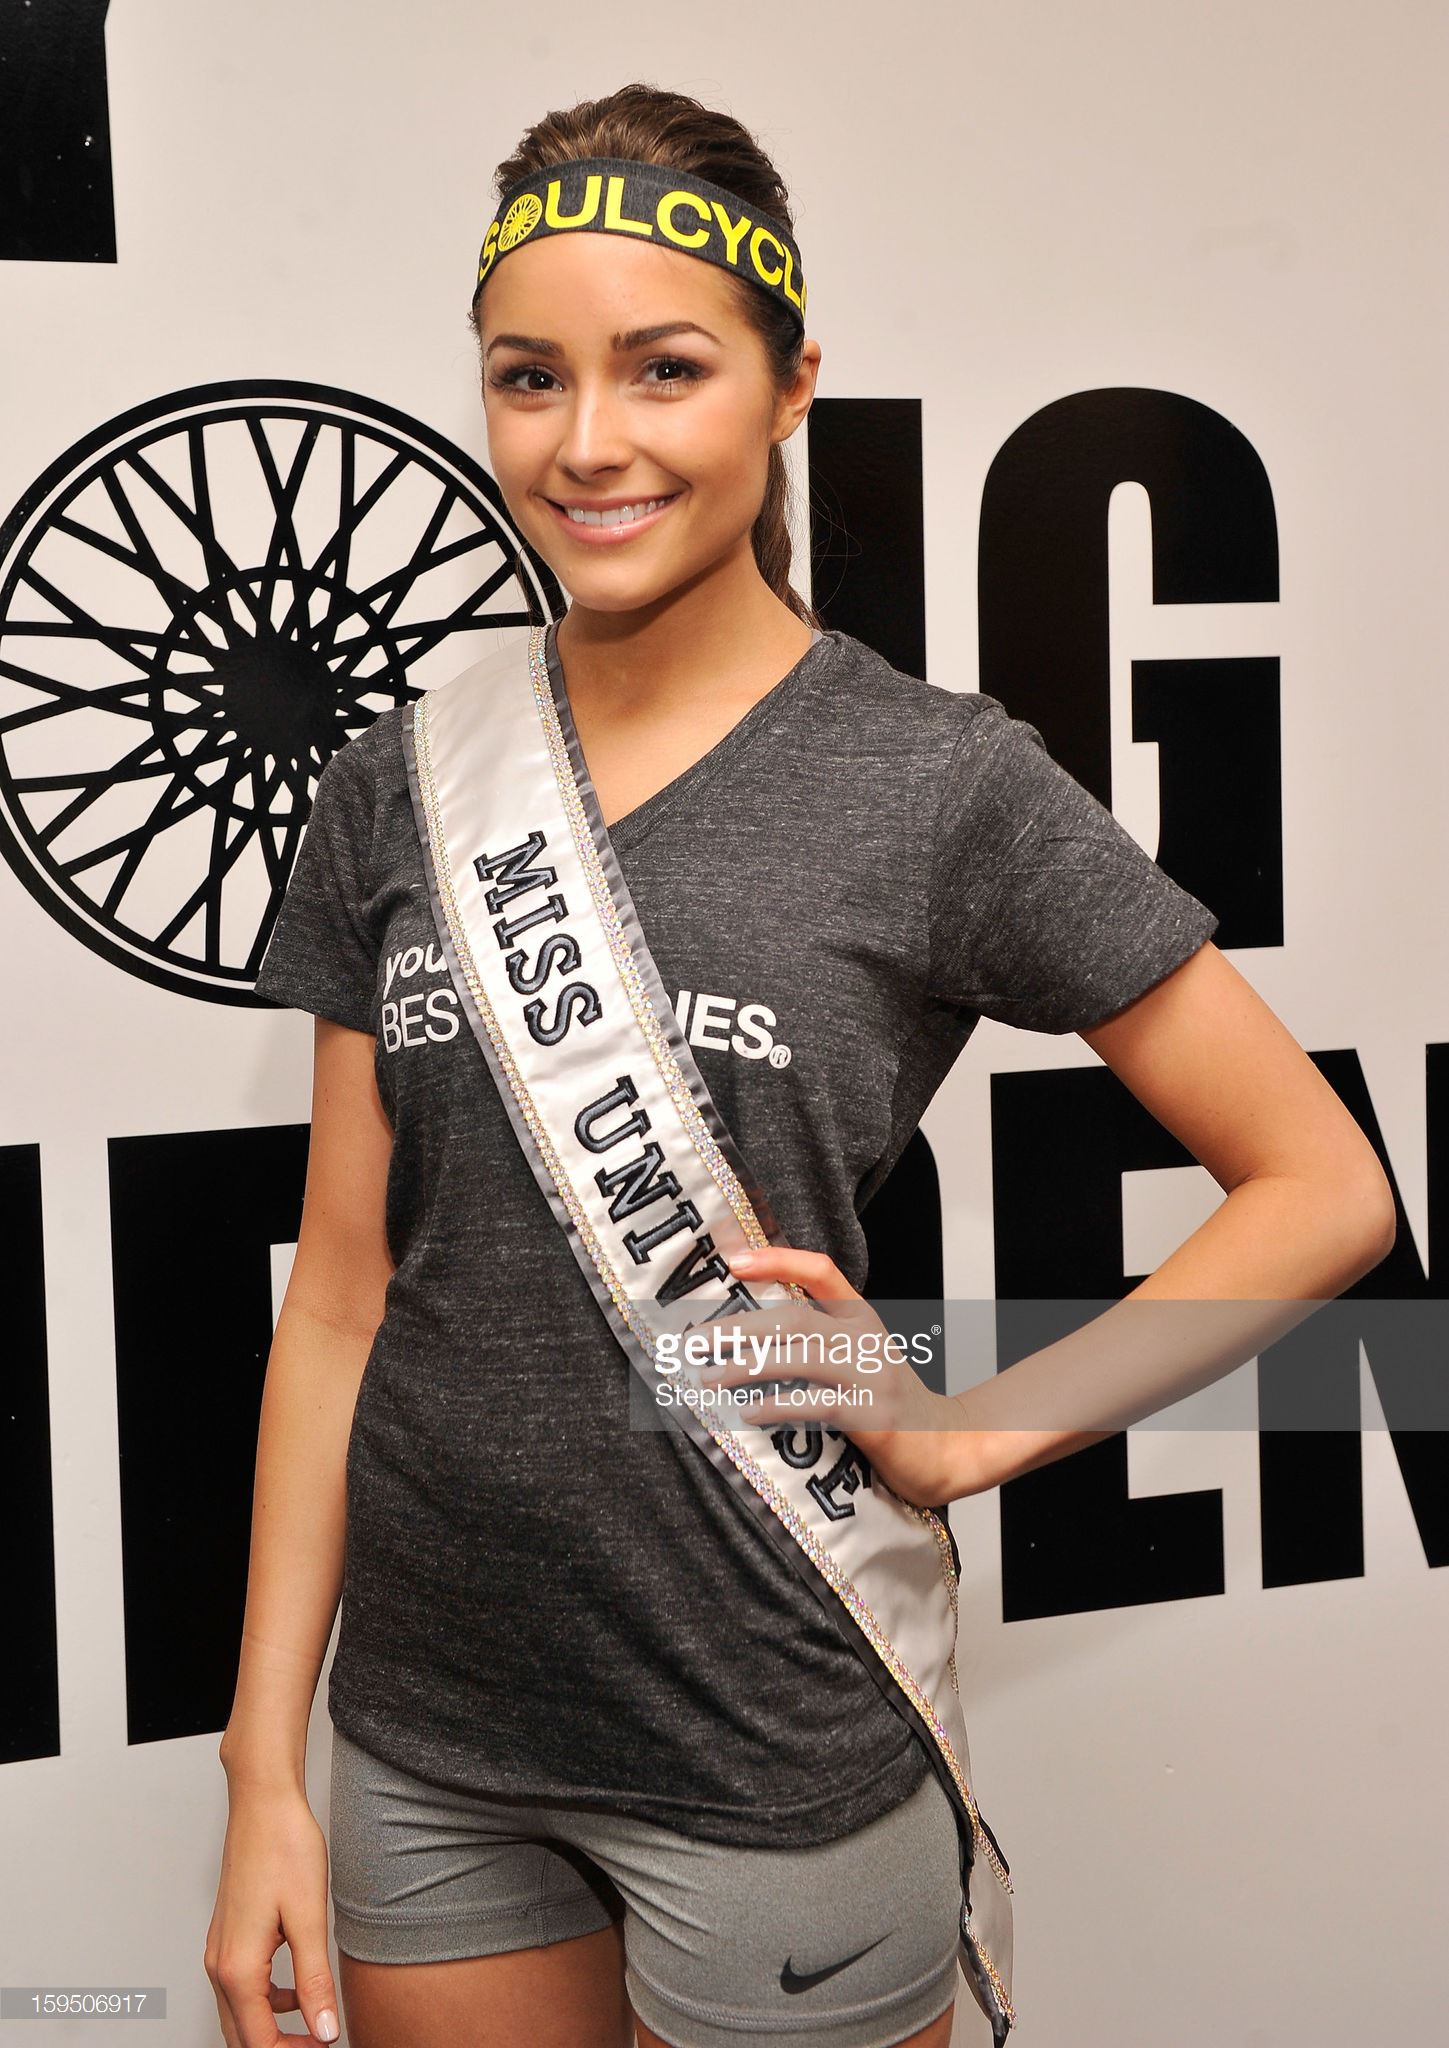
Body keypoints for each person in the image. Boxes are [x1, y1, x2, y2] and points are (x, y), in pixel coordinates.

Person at [205, 80, 1395, 2048]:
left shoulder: (935, 786)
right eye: (529, 377)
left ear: (788, 389)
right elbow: (338, 1297)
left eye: (664, 369)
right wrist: (264, 1763)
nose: (587, 442)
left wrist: (969, 1432)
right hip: (426, 1746)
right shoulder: (396, 784)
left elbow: (1323, 1185)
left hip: (763, 1737)